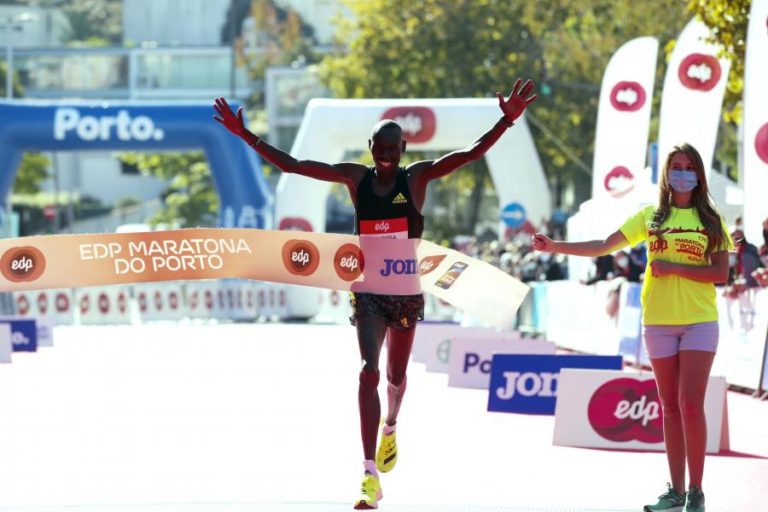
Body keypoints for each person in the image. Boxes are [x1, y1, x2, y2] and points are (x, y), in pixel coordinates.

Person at [213, 79, 537, 510]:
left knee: (396, 379)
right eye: (378, 149)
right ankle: (369, 475)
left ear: (403, 148)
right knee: (368, 370)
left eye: (392, 149)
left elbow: (470, 154)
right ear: (370, 147)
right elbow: (293, 166)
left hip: (406, 297)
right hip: (368, 295)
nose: (385, 157)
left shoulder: (417, 178)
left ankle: (391, 424)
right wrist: (245, 135)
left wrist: (506, 121)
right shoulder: (354, 178)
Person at [532, 143, 732, 512]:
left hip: (699, 321)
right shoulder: (651, 217)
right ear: (667, 173)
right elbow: (604, 246)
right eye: (676, 166)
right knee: (669, 408)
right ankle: (675, 490)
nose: (682, 172)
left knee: (690, 404)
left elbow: (721, 272)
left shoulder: (710, 220)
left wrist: (675, 268)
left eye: (689, 166)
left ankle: (697, 491)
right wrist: (554, 245)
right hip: (657, 322)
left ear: (699, 174)